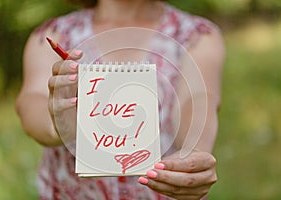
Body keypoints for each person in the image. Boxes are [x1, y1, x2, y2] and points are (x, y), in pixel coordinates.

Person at [15, 0, 225, 199]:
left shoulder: (195, 35)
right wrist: (57, 125)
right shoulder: (53, 35)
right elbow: (32, 100)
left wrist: (194, 152)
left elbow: (197, 98)